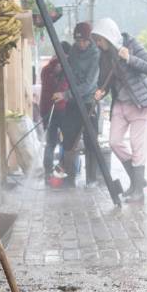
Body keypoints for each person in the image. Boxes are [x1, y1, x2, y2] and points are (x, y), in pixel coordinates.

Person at [90, 18, 147, 202]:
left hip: (140, 103)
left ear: (109, 36)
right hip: (120, 103)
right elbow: (105, 81)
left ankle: (137, 190)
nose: (98, 43)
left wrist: (129, 58)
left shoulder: (131, 43)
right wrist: (100, 92)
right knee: (114, 142)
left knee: (138, 148)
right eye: (96, 40)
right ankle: (138, 181)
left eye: (100, 39)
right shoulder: (103, 55)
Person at [56, 22, 100, 188]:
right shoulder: (74, 50)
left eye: (84, 41)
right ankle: (69, 177)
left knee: (91, 141)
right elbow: (71, 73)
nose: (81, 44)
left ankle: (92, 179)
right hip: (73, 102)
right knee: (68, 138)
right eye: (78, 41)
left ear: (89, 40)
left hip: (89, 102)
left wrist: (65, 94)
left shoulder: (96, 54)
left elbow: (90, 84)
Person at [40, 41, 71, 183]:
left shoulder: (46, 69)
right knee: (60, 142)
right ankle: (53, 171)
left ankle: (53, 172)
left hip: (48, 110)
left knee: (52, 142)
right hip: (56, 110)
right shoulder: (54, 69)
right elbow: (61, 88)